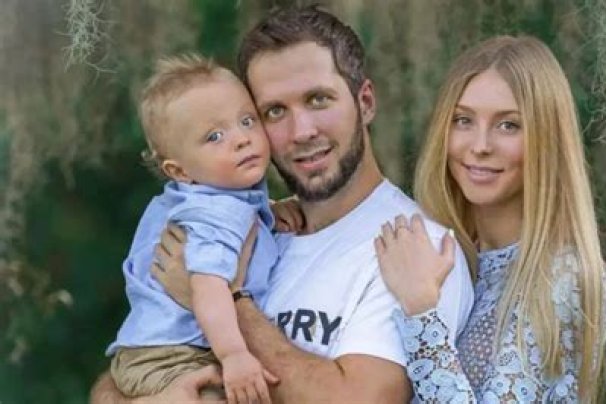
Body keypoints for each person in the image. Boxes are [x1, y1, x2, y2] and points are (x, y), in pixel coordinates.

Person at [90, 6, 474, 403]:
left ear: (365, 102)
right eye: (274, 112)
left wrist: (231, 300)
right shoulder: (249, 223)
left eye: (318, 99)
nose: (301, 131)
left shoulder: (415, 250)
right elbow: (129, 367)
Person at [375, 36, 606, 403]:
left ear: (547, 139)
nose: (480, 145)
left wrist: (422, 312)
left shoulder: (563, 275)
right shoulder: (441, 252)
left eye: (508, 125)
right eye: (463, 120)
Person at [105, 54, 290, 403]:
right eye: (215, 136)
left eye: (247, 120)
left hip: (150, 350)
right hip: (174, 355)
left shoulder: (199, 199)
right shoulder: (217, 212)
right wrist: (234, 354)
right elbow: (208, 287)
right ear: (179, 171)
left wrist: (273, 211)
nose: (242, 139)